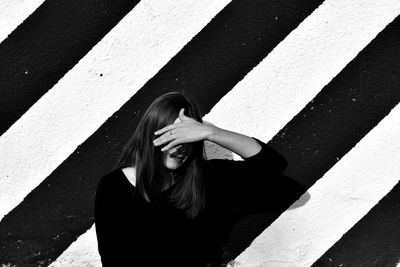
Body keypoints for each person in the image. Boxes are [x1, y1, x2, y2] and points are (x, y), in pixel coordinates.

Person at [94, 92, 305, 266]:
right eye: (172, 134)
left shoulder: (208, 178)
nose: (180, 145)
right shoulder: (114, 187)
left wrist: (211, 132)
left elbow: (272, 165)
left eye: (188, 137)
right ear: (152, 134)